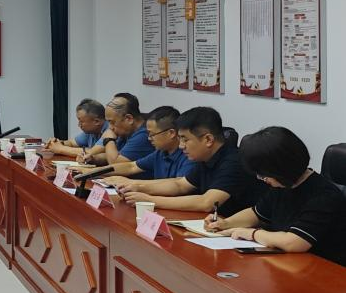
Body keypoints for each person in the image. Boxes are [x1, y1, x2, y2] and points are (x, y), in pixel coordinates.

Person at [204, 127, 346, 266]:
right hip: (290, 263)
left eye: (263, 174)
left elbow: (295, 242)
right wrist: (225, 223)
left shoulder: (325, 196)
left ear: (281, 168)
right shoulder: (283, 185)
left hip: (324, 268)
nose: (262, 178)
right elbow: (256, 213)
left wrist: (252, 234)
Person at [117, 107, 264, 215]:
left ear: (208, 139)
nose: (181, 146)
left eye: (185, 139)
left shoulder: (234, 162)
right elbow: (180, 185)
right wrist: (138, 187)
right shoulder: (206, 158)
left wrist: (150, 200)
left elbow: (207, 203)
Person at [91, 106, 194, 183]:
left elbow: (178, 185)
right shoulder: (160, 153)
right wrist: (90, 172)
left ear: (171, 133)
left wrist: (132, 183)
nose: (149, 138)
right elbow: (131, 167)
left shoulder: (188, 155)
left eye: (152, 134)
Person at [79, 93, 151, 165]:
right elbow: (114, 155)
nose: (110, 127)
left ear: (129, 119)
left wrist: (108, 139)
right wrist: (93, 158)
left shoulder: (144, 135)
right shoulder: (126, 131)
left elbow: (115, 163)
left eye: (112, 122)